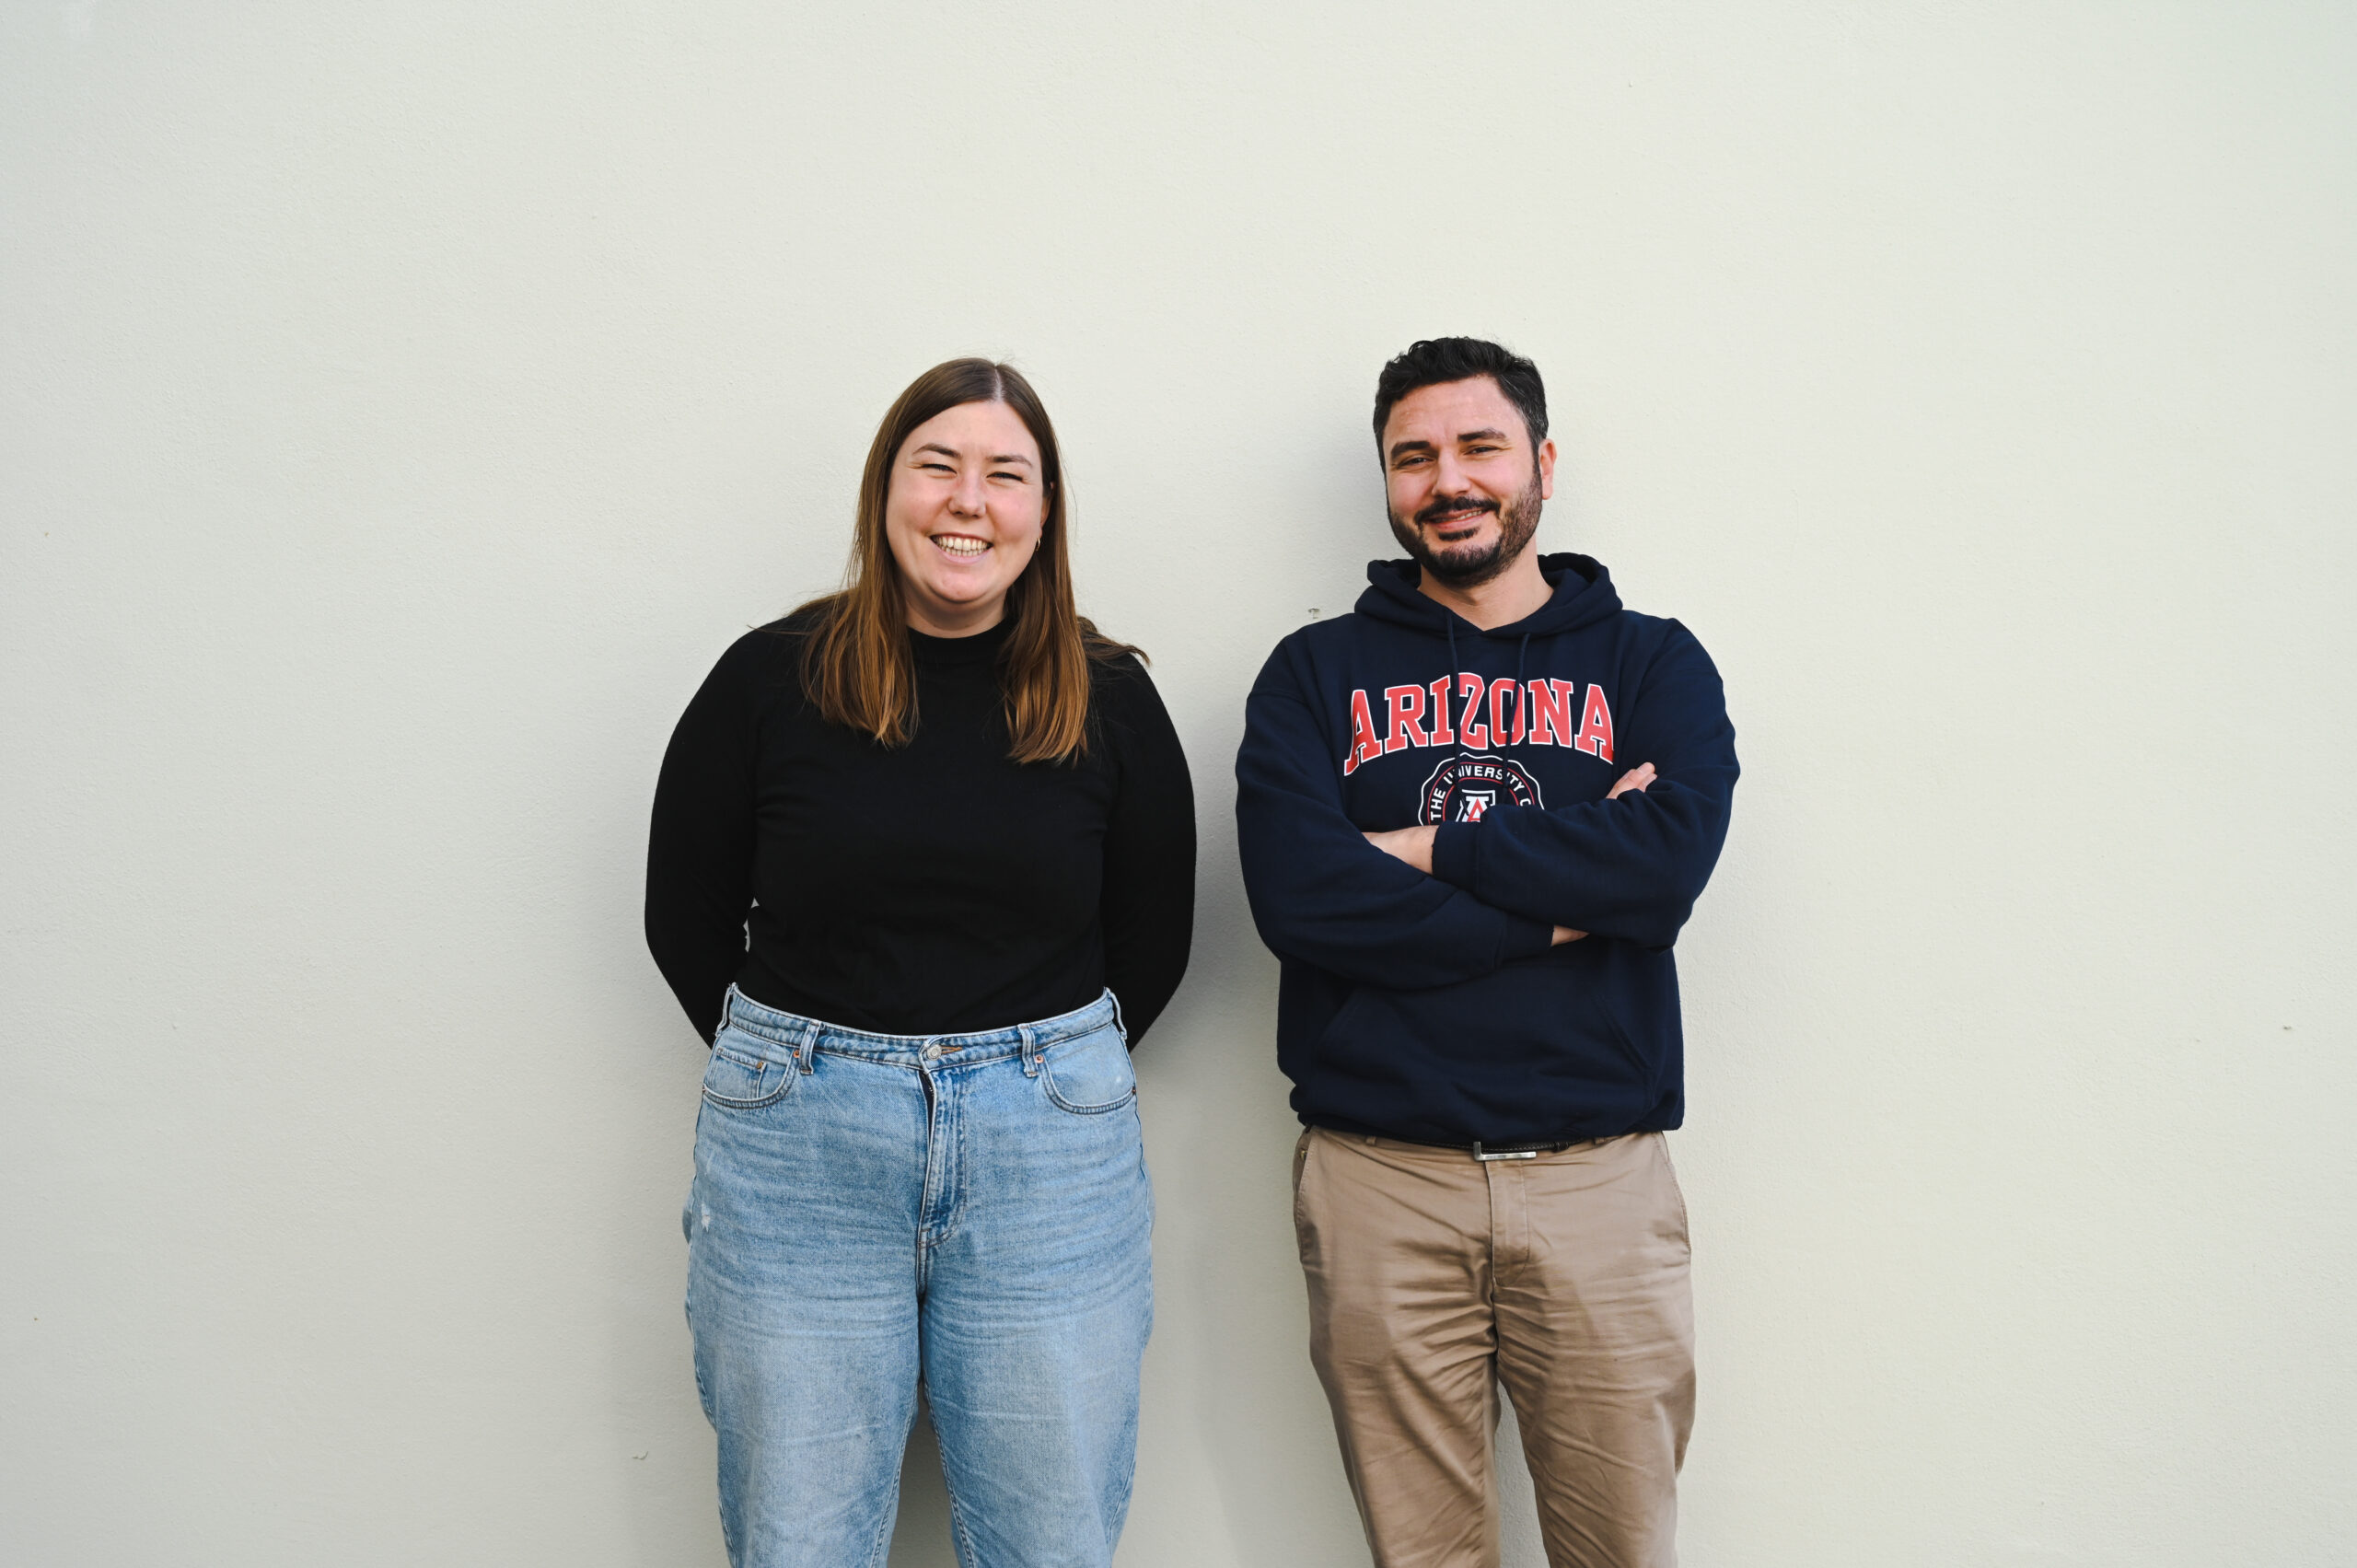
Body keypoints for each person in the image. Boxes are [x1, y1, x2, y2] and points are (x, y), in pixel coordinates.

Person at [644, 357, 1195, 1568]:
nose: (968, 500)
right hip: (800, 1161)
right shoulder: (767, 682)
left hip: (1049, 1161)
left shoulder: (1109, 699)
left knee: (1048, 1540)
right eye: (937, 465)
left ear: (1043, 513)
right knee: (798, 1538)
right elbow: (683, 920)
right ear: (883, 491)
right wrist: (806, 1067)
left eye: (1005, 474)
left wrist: (1031, 1074)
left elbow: (1153, 944)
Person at [1235, 337, 1737, 1567]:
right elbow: (1302, 898)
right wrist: (1575, 885)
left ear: (1542, 464)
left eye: (1478, 448)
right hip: (1381, 1180)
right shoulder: (1314, 675)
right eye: (1414, 458)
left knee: (1621, 1551)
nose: (1447, 481)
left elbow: (1664, 861)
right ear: (1390, 484)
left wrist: (1414, 847)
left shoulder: (1649, 662)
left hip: (1598, 1178)